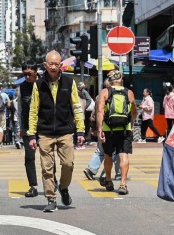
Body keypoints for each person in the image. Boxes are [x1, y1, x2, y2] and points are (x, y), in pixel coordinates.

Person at [27, 51, 85, 213]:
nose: (53, 67)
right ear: (45, 65)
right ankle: (51, 198)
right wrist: (31, 134)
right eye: (50, 64)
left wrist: (80, 131)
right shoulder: (38, 84)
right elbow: (33, 110)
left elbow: (76, 107)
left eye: (56, 64)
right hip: (45, 132)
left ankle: (64, 187)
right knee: (47, 168)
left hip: (65, 131)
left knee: (68, 164)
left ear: (61, 66)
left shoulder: (69, 82)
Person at [95, 69, 136, 195]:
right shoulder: (129, 93)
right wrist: (132, 123)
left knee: (108, 155)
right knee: (123, 155)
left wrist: (99, 129)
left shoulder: (105, 92)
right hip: (125, 129)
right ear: (121, 80)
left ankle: (108, 180)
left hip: (109, 129)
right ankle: (123, 184)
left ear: (110, 81)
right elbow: (133, 111)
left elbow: (100, 111)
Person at [15, 62, 41, 198]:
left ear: (36, 72)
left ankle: (52, 182)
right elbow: (20, 109)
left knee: (47, 157)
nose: (26, 77)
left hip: (43, 127)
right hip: (27, 127)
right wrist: (19, 127)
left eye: (29, 74)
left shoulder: (44, 83)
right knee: (29, 157)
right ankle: (33, 186)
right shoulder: (22, 87)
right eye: (24, 74)